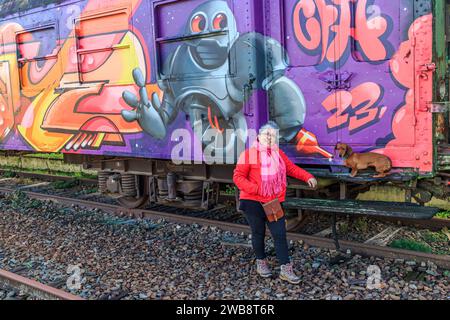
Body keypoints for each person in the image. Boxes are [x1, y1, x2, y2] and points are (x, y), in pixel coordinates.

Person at [233, 121, 317, 284]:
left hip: (273, 202)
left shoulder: (278, 154)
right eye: (267, 134)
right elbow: (238, 177)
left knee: (280, 234)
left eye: (273, 135)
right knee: (258, 233)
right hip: (253, 200)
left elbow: (291, 169)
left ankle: (286, 269)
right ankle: (261, 263)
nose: (270, 138)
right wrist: (256, 188)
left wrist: (308, 176)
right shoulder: (249, 154)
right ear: (259, 136)